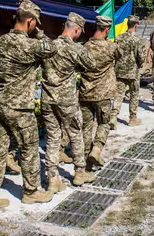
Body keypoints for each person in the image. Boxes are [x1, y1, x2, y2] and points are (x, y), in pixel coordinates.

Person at [0, 0, 57, 214]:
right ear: (30, 21)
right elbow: (51, 48)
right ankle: (31, 191)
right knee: (29, 148)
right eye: (36, 22)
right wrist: (40, 34)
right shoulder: (29, 45)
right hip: (19, 107)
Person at [41, 12, 97, 193]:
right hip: (67, 100)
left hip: (48, 99)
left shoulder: (48, 45)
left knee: (52, 137)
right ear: (76, 29)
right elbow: (91, 65)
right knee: (75, 134)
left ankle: (53, 178)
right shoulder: (76, 49)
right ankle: (80, 173)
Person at [79, 16, 122, 168]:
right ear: (107, 30)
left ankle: (85, 165)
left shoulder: (84, 47)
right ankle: (96, 149)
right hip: (104, 95)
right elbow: (120, 56)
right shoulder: (111, 47)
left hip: (85, 94)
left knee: (86, 127)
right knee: (104, 123)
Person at [110, 15, 146, 129]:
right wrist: (140, 65)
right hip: (133, 72)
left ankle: (113, 117)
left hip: (119, 71)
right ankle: (132, 118)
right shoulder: (137, 40)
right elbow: (141, 57)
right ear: (136, 25)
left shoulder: (118, 38)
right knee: (134, 95)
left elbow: (114, 54)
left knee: (118, 95)